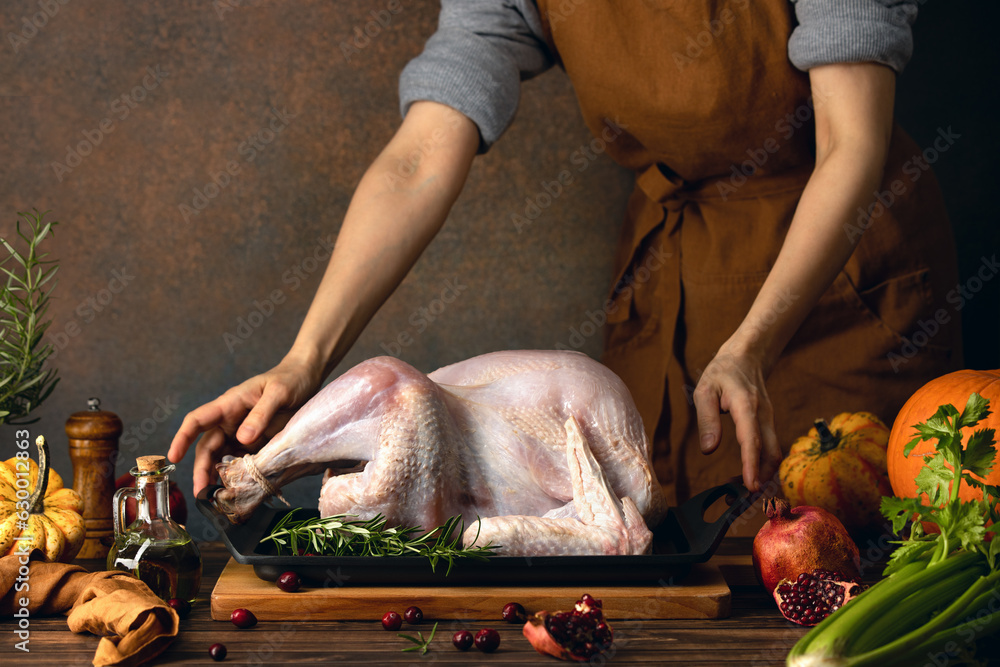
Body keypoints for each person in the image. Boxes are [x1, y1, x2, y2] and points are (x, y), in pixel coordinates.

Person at [168, 0, 961, 513]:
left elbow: (850, 145)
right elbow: (418, 160)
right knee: (663, 560)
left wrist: (749, 347)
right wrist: (302, 362)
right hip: (673, 287)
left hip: (842, 289)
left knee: (852, 560)